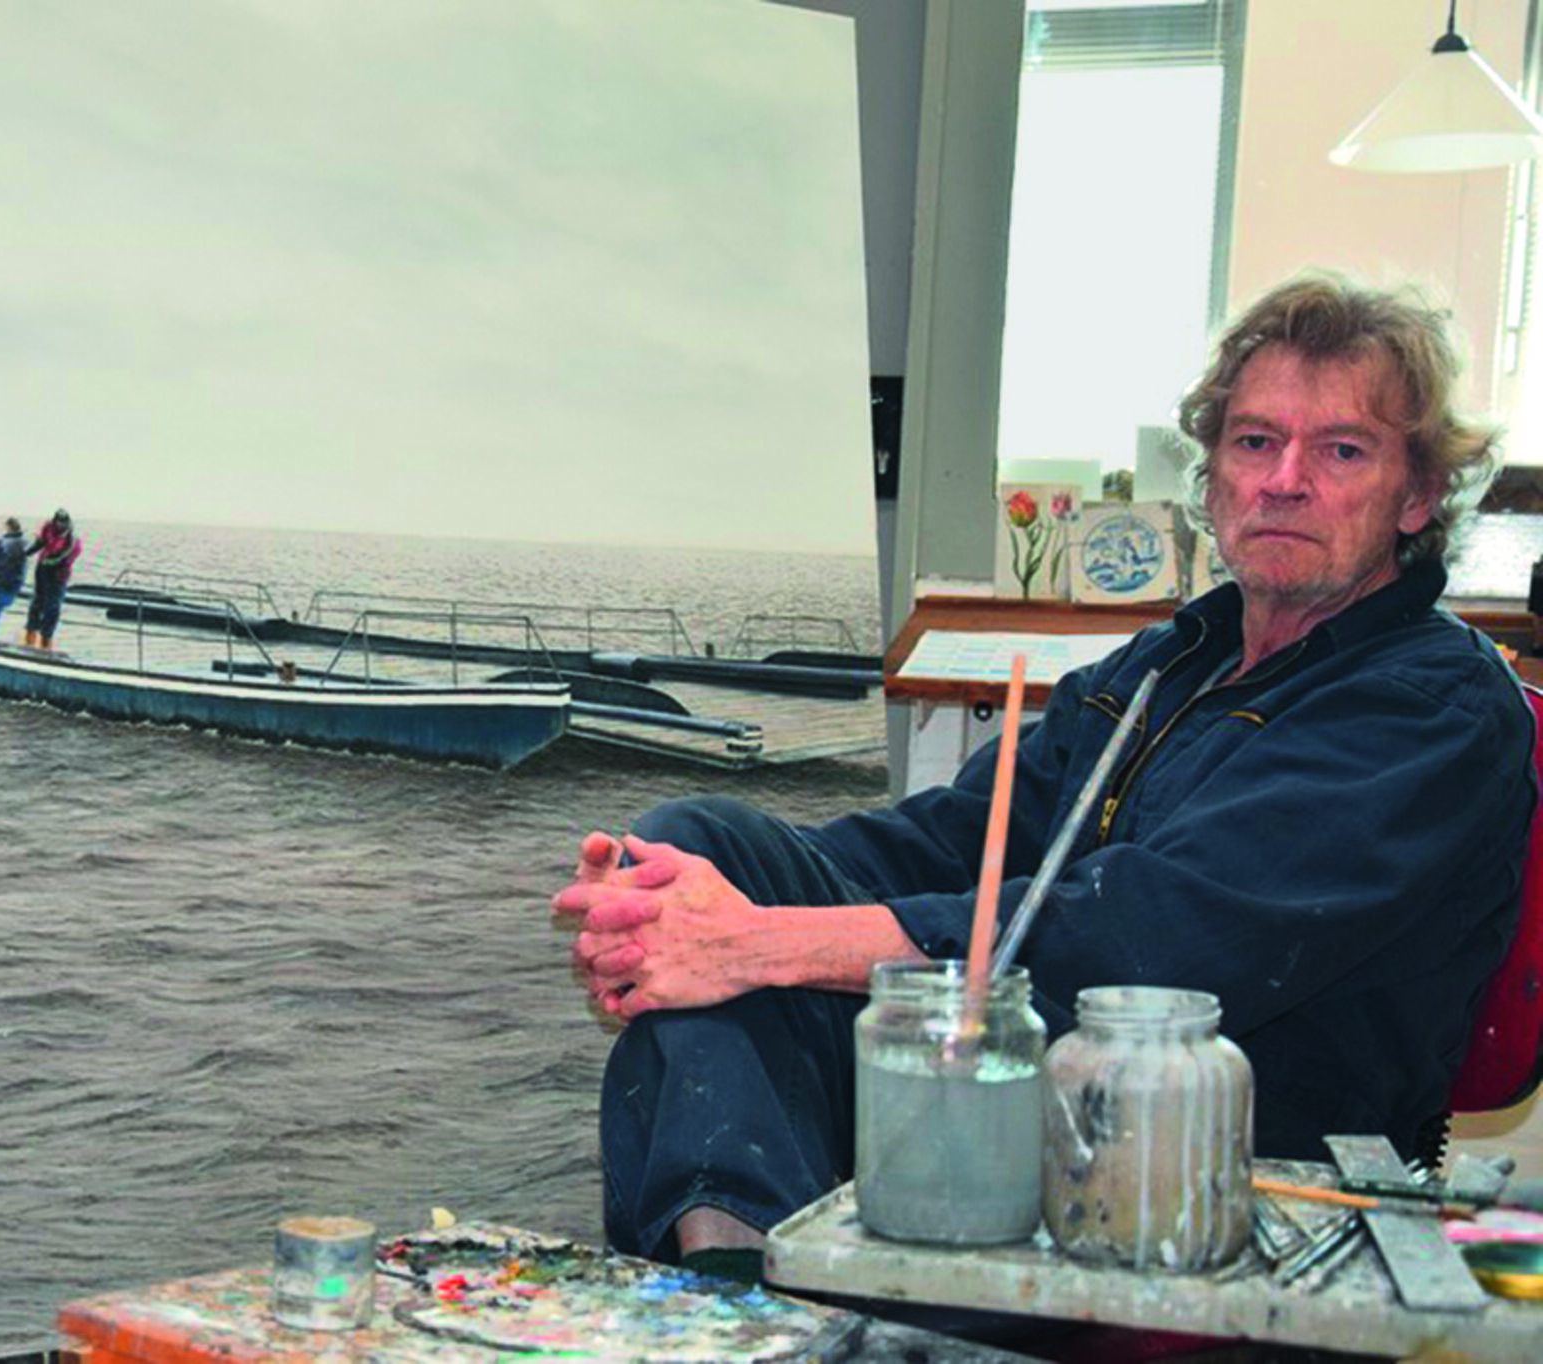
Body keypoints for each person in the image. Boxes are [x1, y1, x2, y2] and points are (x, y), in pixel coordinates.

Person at [553, 274, 1537, 1281]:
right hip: (1023, 1075)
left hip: (1221, 1147)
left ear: (1415, 494)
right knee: (696, 844)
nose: (1282, 479)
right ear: (1209, 478)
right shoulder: (1164, 664)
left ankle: (736, 1293)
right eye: (1253, 441)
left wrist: (756, 942)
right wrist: (692, 906)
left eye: (1339, 449)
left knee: (737, 956)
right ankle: (747, 1293)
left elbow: (1147, 938)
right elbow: (946, 838)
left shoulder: (1429, 702)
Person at [23, 509, 82, 651]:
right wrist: (24, 554)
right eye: (58, 521)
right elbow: (39, 544)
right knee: (37, 602)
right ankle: (30, 636)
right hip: (43, 569)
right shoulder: (48, 529)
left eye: (63, 522)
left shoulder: (72, 540)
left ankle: (46, 640)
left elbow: (63, 556)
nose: (60, 525)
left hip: (59, 572)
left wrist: (52, 563)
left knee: (53, 606)